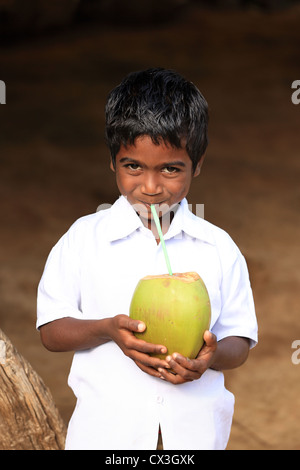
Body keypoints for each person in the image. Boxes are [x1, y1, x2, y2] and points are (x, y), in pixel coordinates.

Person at [37, 68, 258, 450]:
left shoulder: (218, 248)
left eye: (171, 169)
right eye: (133, 166)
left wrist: (210, 356)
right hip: (107, 439)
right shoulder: (84, 240)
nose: (151, 188)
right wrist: (107, 329)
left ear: (198, 163)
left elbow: (239, 340)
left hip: (195, 438)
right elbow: (51, 331)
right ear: (112, 161)